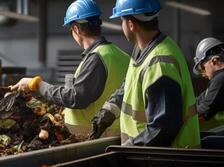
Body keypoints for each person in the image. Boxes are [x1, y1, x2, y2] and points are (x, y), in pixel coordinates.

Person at [11, 0, 130, 140]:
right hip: (115, 134)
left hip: (96, 137)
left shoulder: (97, 57)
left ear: (76, 29)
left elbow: (76, 98)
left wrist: (37, 84)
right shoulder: (121, 55)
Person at [91, 0, 200, 147]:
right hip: (148, 156)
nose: (121, 25)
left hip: (168, 161)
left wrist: (130, 147)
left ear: (131, 24)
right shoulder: (142, 49)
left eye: (121, 20)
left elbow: (163, 128)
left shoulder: (159, 64)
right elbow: (129, 85)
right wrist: (108, 111)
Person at [193, 37, 224, 131]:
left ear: (214, 61)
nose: (203, 74)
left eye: (202, 67)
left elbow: (204, 111)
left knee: (204, 141)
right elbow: (200, 100)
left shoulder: (220, 78)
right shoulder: (218, 79)